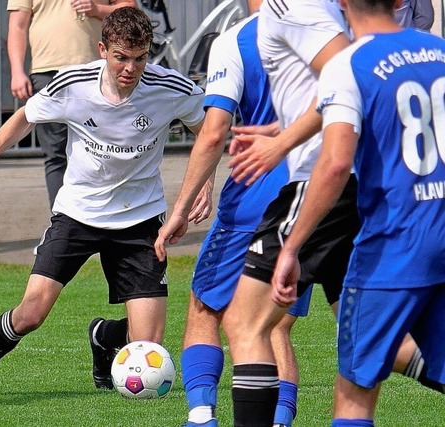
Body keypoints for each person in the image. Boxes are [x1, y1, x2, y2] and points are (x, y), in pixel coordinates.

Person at [0, 7, 206, 396]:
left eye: (139, 58)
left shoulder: (172, 89)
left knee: (146, 346)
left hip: (140, 220)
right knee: (32, 312)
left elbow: (210, 133)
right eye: (120, 57)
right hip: (78, 214)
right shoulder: (73, 84)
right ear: (103, 49)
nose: (130, 69)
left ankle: (103, 336)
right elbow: (25, 117)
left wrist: (205, 186)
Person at [272, 0, 445, 424]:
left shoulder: (349, 64)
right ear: (402, 2)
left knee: (355, 389)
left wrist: (293, 245)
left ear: (342, 2)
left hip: (393, 246)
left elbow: (333, 164)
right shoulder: (438, 51)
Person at [154, 1, 312, 425]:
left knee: (205, 308)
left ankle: (202, 416)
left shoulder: (237, 39)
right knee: (275, 324)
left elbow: (213, 131)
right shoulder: (330, 28)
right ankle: (280, 421)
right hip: (316, 199)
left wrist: (181, 208)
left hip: (255, 198)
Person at [7, 0, 136, 212]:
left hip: (95, 70)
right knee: (56, 154)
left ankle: (106, 217)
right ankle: (61, 222)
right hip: (46, 72)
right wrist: (17, 71)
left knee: (104, 150)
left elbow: (129, 8)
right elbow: (17, 25)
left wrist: (98, 9)